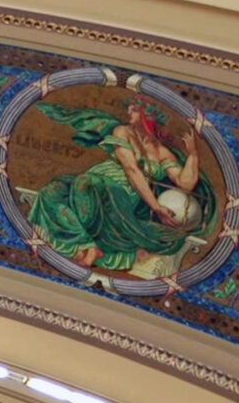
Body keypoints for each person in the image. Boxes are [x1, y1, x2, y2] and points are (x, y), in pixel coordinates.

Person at [26, 98, 215, 273]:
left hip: (122, 193)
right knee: (51, 192)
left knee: (85, 183)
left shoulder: (161, 152)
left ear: (146, 115)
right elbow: (129, 167)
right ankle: (87, 242)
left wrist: (193, 154)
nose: (128, 111)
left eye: (133, 108)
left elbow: (185, 183)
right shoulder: (122, 132)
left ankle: (89, 247)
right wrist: (156, 207)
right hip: (95, 181)